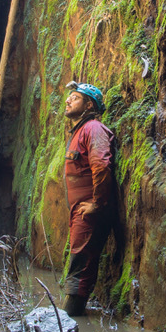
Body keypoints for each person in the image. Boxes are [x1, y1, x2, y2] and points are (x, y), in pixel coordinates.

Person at [61, 81, 115, 316]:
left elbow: (102, 165)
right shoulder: (79, 132)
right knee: (80, 261)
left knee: (79, 263)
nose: (68, 100)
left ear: (89, 104)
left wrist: (97, 203)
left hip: (89, 213)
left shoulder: (93, 128)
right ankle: (73, 318)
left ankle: (69, 320)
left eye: (75, 97)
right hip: (79, 212)